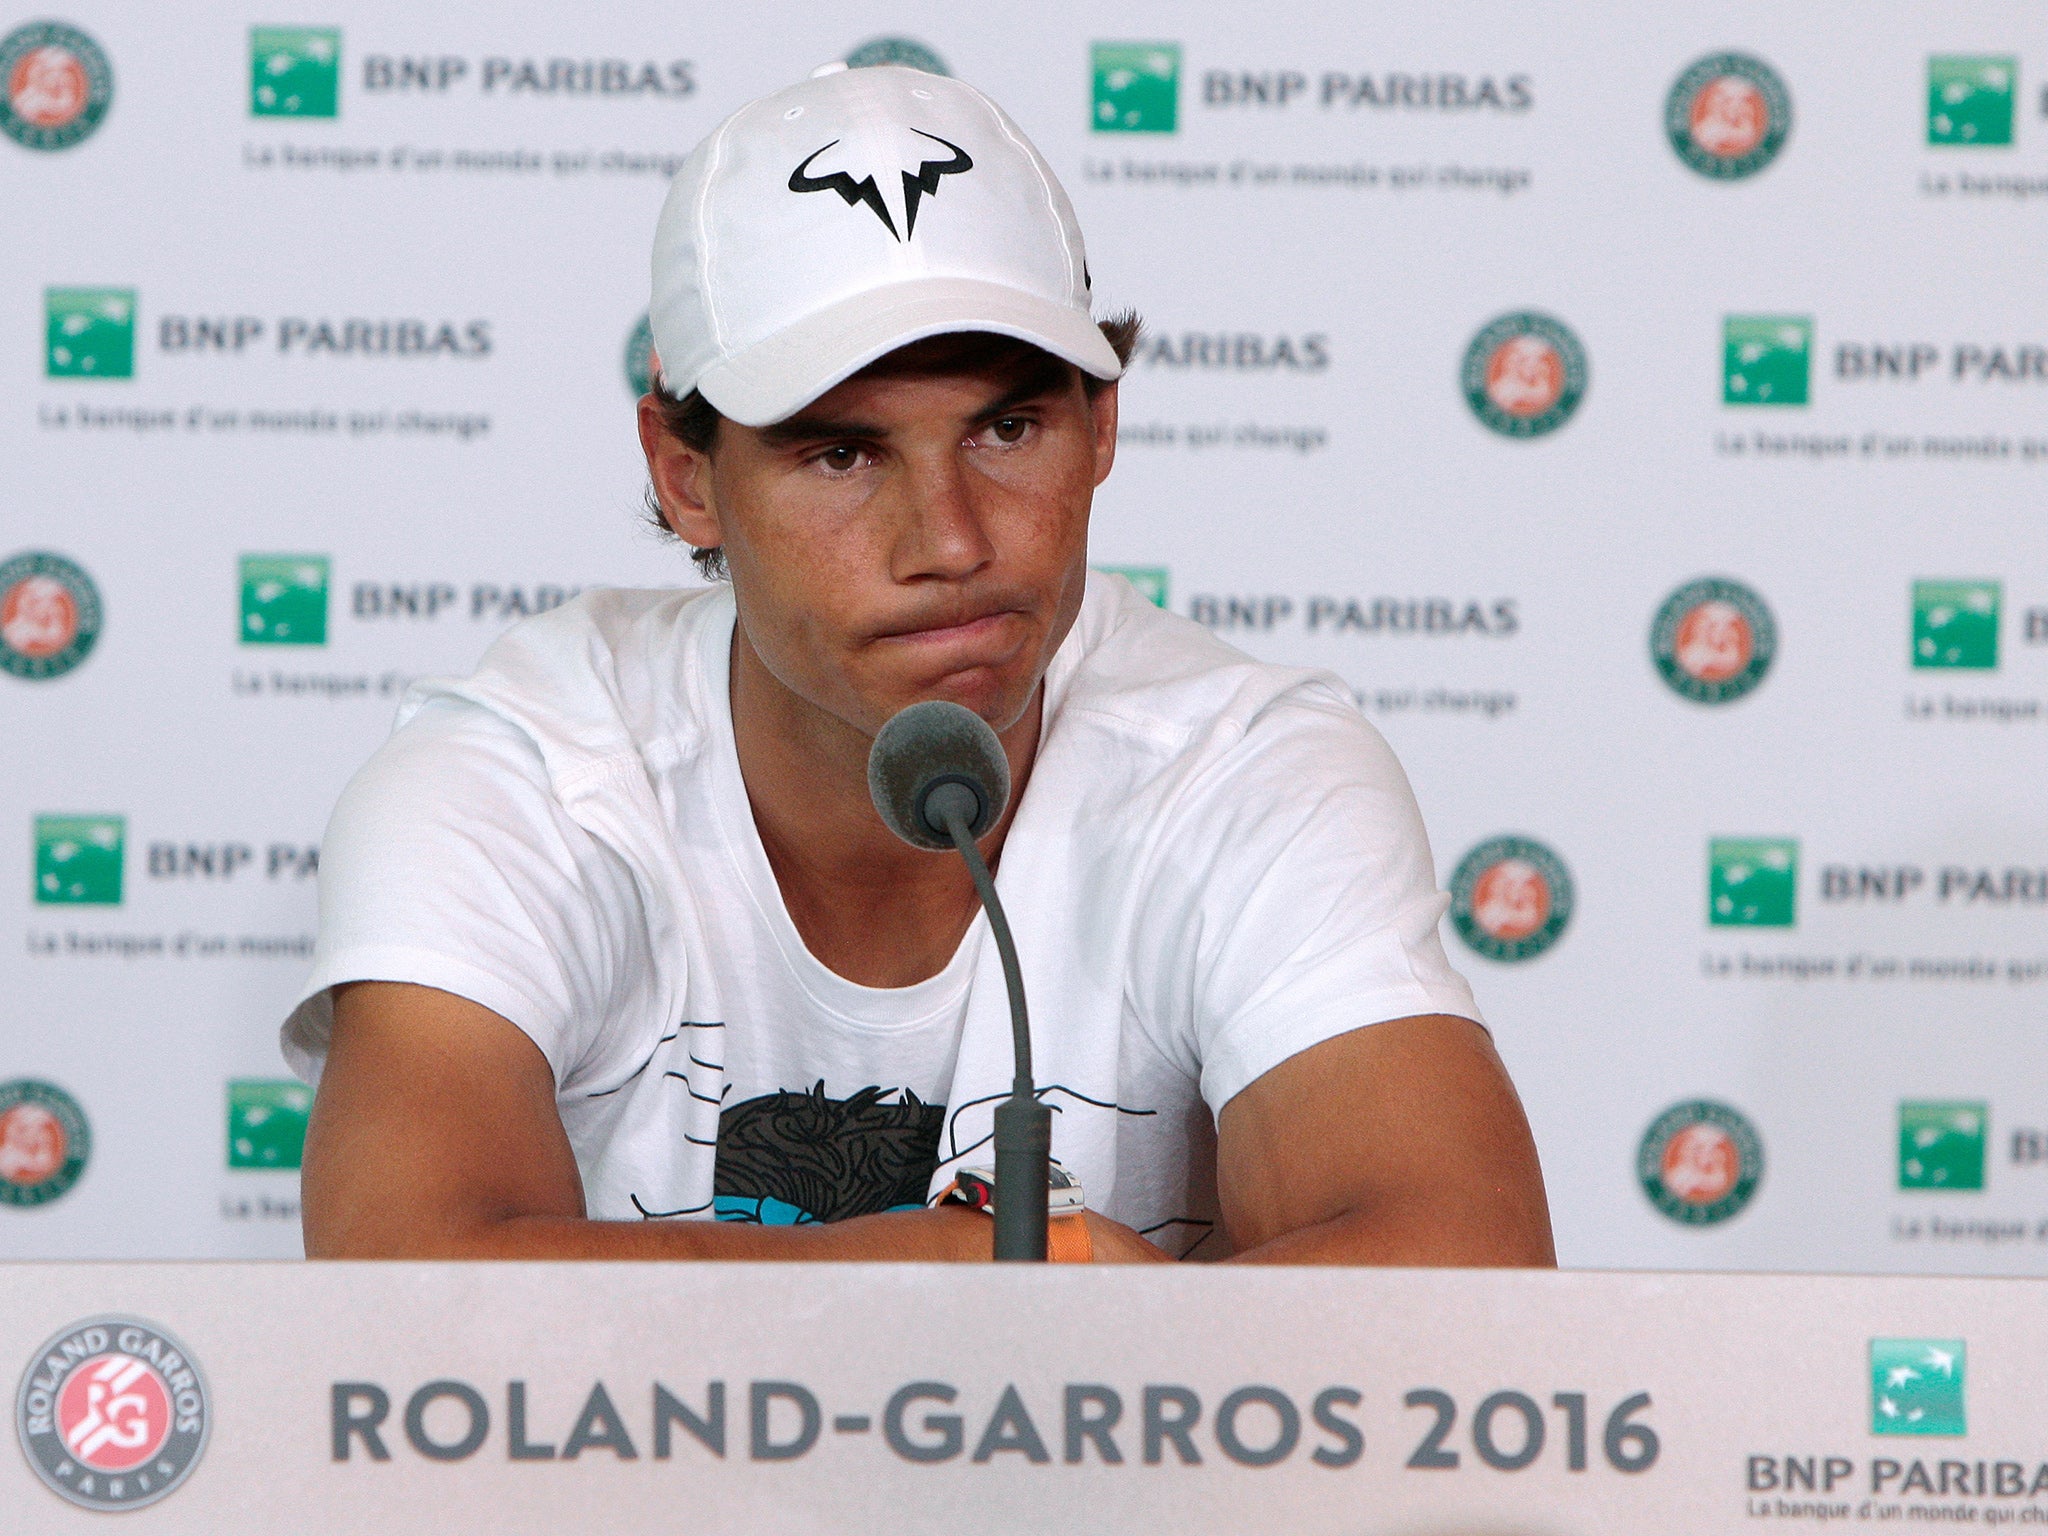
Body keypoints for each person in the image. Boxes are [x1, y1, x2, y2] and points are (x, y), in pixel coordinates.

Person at [288, 62, 1553, 1266]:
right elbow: (407, 1289)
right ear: (687, 479)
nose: (949, 543)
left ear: (1100, 426)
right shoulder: (521, 776)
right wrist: (951, 1276)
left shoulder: (1241, 767)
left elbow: (1456, 1280)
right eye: (841, 454)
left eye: (1008, 428)